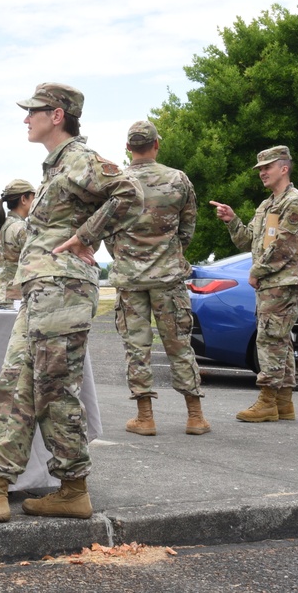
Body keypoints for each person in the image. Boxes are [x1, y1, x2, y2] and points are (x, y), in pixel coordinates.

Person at [0, 83, 143, 523]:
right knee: (14, 386)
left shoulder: (81, 160)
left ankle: (73, 487)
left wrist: (88, 236)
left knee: (53, 389)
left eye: (33, 111)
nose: (25, 118)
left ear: (57, 115)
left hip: (64, 287)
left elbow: (130, 194)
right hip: (41, 290)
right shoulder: (55, 169)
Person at [104, 121, 209, 436]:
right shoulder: (177, 180)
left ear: (128, 148)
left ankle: (145, 417)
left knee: (137, 347)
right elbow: (188, 224)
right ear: (156, 145)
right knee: (179, 344)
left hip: (130, 279)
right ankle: (195, 416)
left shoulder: (116, 183)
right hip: (168, 277)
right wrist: (170, 252)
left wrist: (125, 255)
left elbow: (106, 229)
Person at [210, 146, 298, 422]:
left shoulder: (295, 202)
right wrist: (232, 221)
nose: (262, 173)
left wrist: (257, 271)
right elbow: (249, 241)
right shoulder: (267, 205)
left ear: (284, 168)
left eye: (267, 167)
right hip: (273, 282)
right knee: (280, 340)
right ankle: (283, 402)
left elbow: (284, 246)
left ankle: (267, 400)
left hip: (284, 281)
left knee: (269, 338)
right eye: (260, 169)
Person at [0, 179, 35, 306]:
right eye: (34, 197)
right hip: (18, 296)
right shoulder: (22, 228)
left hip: (3, 293)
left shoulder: (0, 226)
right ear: (23, 199)